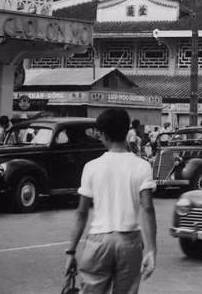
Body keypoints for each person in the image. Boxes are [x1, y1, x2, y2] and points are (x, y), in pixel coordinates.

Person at [64, 108, 157, 293]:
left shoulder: (91, 167)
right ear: (126, 131)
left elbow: (81, 213)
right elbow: (147, 209)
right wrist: (151, 250)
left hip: (98, 242)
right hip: (130, 241)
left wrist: (71, 252)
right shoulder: (142, 166)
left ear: (104, 135)